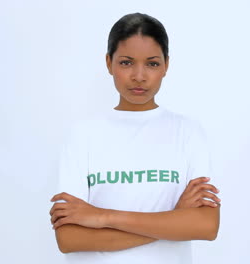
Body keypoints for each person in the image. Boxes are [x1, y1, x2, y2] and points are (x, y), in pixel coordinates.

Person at [49, 12, 221, 264]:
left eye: (152, 63)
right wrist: (173, 219)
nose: (139, 76)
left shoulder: (188, 133)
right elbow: (69, 239)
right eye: (126, 62)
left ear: (166, 65)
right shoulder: (82, 135)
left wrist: (102, 217)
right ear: (109, 63)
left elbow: (205, 226)